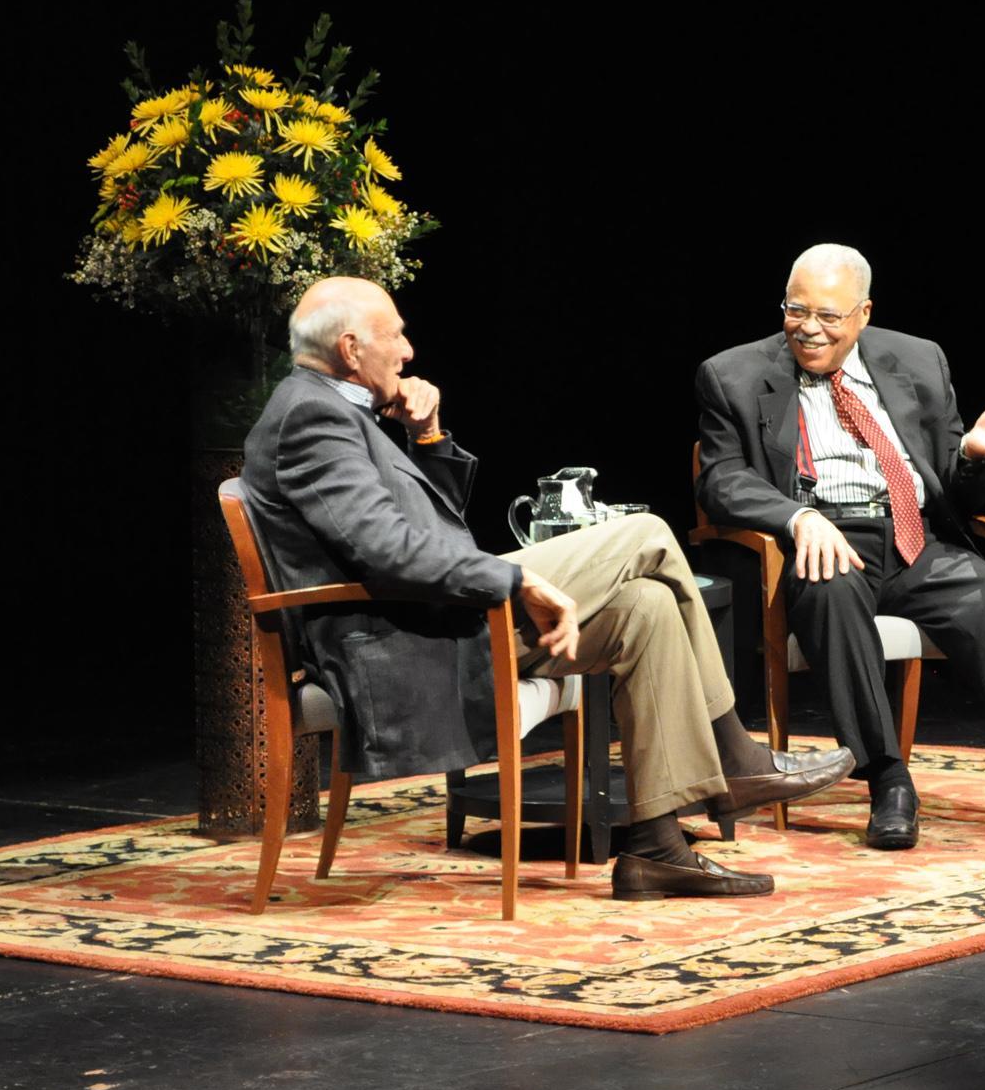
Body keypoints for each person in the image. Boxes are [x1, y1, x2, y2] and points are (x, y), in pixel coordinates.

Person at [242, 276, 851, 900]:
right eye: (394, 335)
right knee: (646, 533)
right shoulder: (312, 416)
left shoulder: (339, 409)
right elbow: (387, 552)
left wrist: (427, 436)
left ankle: (655, 849)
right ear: (350, 348)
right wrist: (515, 579)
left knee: (647, 607)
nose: (407, 351)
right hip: (406, 644)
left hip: (436, 620)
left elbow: (431, 528)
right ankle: (737, 757)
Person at [695, 243, 985, 849]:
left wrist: (972, 455)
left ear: (863, 314)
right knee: (829, 587)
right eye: (796, 310)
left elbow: (953, 487)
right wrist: (797, 517)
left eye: (828, 316)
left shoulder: (918, 359)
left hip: (914, 536)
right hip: (826, 540)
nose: (809, 328)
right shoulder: (732, 374)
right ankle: (889, 781)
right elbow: (721, 478)